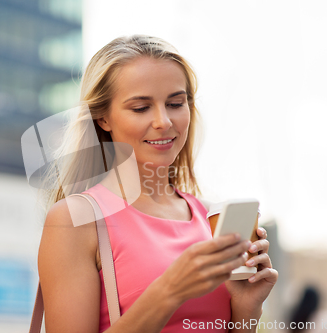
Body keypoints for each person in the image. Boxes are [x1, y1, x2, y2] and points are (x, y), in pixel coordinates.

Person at [37, 35, 278, 333]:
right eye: (141, 108)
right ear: (102, 118)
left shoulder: (210, 216)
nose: (164, 121)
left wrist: (246, 308)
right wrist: (170, 291)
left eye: (176, 103)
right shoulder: (75, 220)